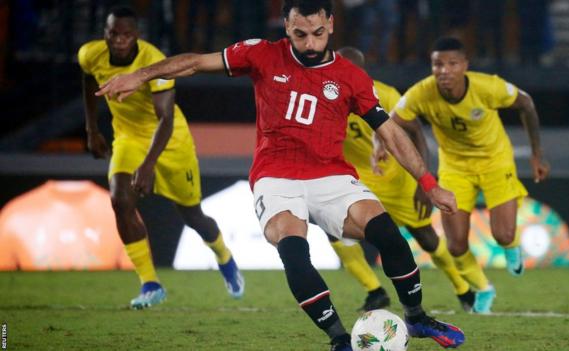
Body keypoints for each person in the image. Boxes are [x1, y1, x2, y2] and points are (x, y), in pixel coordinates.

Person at [95, 2, 465, 350]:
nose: (309, 43)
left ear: (331, 25)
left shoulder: (350, 77)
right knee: (294, 249)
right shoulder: (261, 53)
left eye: (318, 33)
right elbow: (194, 63)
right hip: (276, 177)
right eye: (300, 34)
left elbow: (390, 132)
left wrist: (429, 184)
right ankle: (339, 339)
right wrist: (139, 75)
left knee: (387, 234)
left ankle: (416, 318)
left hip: (331, 175)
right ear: (287, 25)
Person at [78, 6, 244, 310]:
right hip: (127, 138)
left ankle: (224, 256)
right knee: (120, 201)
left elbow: (165, 118)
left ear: (137, 35)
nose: (119, 40)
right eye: (114, 33)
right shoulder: (90, 54)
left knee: (192, 216)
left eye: (127, 34)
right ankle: (150, 284)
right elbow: (89, 82)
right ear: (105, 33)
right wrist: (91, 130)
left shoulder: (153, 61)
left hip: (171, 142)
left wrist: (148, 164)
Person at [386, 37, 550, 314]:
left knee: (502, 234)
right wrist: (380, 145)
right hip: (455, 168)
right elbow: (391, 121)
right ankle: (483, 289)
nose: (444, 70)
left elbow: (527, 103)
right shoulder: (421, 93)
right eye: (438, 64)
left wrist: (536, 154)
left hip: (495, 162)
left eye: (452, 63)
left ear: (465, 65)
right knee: (456, 243)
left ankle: (511, 246)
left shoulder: (488, 87)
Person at [334, 46, 475, 313]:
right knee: (333, 230)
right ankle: (374, 291)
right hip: (356, 180)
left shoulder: (384, 94)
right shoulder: (324, 95)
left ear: (361, 71)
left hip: (396, 180)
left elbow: (415, 132)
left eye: (348, 68)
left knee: (426, 238)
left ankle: (463, 288)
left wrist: (425, 183)